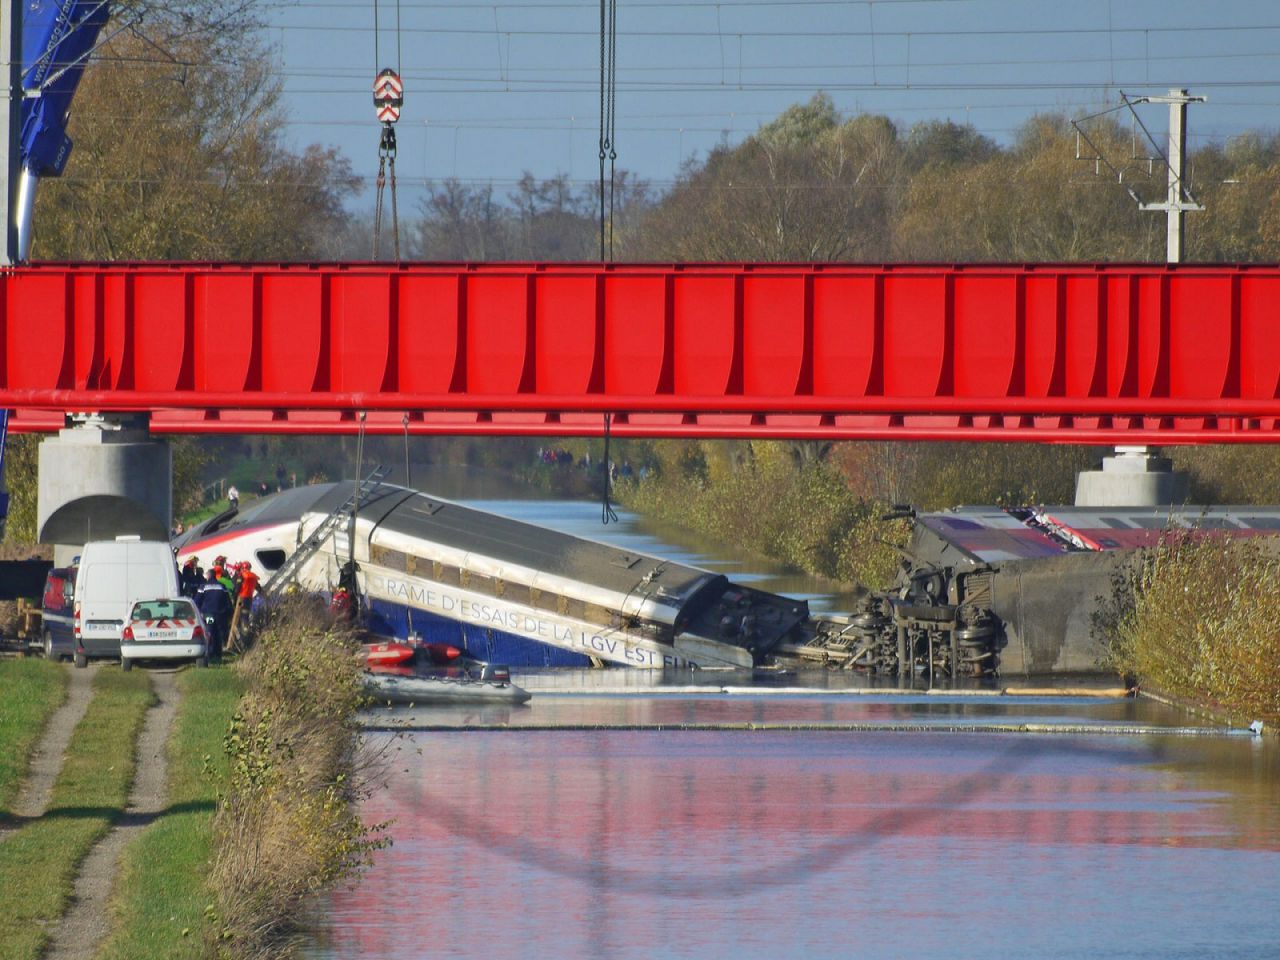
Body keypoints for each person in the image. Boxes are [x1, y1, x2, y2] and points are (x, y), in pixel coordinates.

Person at [196, 569, 233, 662]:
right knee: (219, 633)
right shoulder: (222, 586)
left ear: (208, 576)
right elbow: (228, 601)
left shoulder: (203, 586)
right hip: (220, 615)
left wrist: (198, 611)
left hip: (209, 615)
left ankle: (209, 654)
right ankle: (218, 654)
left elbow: (197, 601)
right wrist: (229, 613)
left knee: (210, 632)